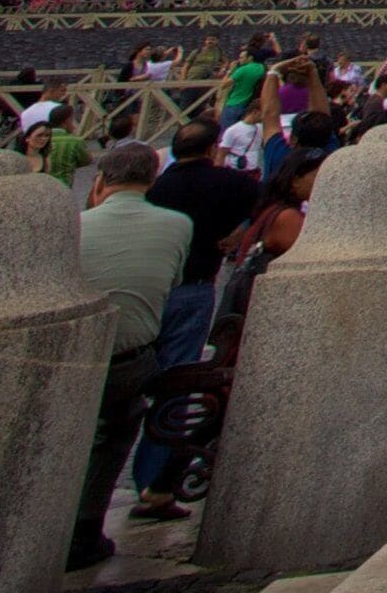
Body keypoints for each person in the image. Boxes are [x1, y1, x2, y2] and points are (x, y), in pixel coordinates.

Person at [127, 119, 262, 520]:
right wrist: (239, 230)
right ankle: (155, 485)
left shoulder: (158, 186)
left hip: (145, 291)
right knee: (178, 384)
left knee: (125, 390)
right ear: (211, 149)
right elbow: (264, 194)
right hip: (194, 288)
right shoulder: (229, 183)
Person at [66, 142, 187, 571]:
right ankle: (83, 529)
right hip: (131, 360)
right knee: (113, 435)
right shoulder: (177, 225)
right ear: (153, 180)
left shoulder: (72, 225)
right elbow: (172, 282)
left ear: (100, 181)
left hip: (66, 361)